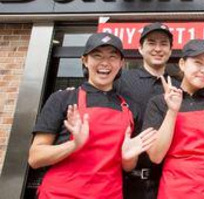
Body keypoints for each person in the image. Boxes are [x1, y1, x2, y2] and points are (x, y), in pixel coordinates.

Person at [28, 32, 157, 199]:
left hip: (109, 194)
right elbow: (35, 158)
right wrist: (74, 145)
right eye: (97, 56)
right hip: (61, 194)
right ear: (85, 60)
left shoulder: (131, 107)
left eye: (112, 57)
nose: (105, 62)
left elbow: (127, 167)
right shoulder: (62, 99)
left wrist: (128, 158)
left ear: (121, 64)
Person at [143, 39, 204, 198]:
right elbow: (156, 155)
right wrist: (172, 111)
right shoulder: (160, 102)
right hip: (176, 190)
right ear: (182, 64)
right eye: (198, 63)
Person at [117, 22, 179, 199]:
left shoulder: (178, 87)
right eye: (151, 43)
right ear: (140, 48)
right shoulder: (122, 81)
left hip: (168, 182)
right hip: (127, 181)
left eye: (164, 44)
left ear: (171, 50)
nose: (158, 49)